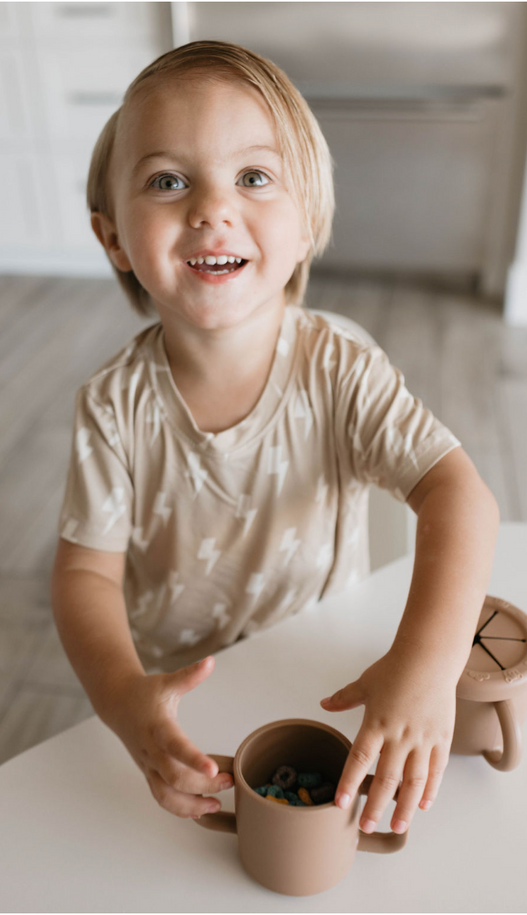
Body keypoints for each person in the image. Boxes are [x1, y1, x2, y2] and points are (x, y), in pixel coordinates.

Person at [51, 40, 500, 837]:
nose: (211, 208)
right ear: (113, 236)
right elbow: (85, 575)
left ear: (308, 223)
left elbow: (460, 496)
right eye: (167, 180)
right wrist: (123, 700)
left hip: (328, 673)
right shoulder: (113, 407)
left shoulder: (340, 370)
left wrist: (426, 669)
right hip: (187, 696)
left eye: (254, 176)